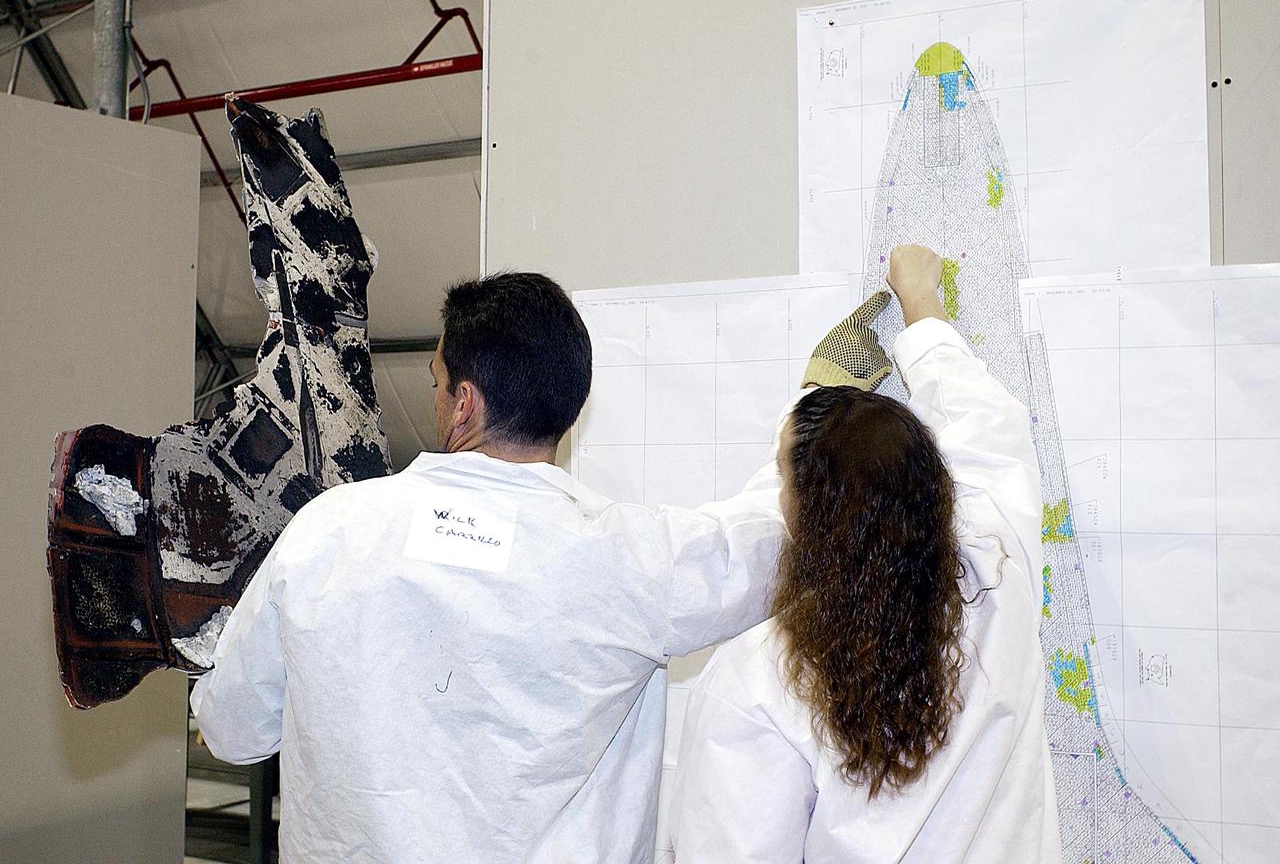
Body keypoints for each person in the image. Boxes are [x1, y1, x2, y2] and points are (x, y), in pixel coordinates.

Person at [190, 270, 892, 863]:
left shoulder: (327, 531)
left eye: (438, 382)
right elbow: (774, 536)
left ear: (464, 403)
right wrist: (819, 404)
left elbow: (232, 728)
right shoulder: (630, 561)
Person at [669, 245, 1061, 863]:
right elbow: (988, 430)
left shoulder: (763, 676)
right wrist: (920, 302)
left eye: (783, 481)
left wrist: (814, 398)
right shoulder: (998, 575)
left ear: (801, 516)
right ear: (934, 482)